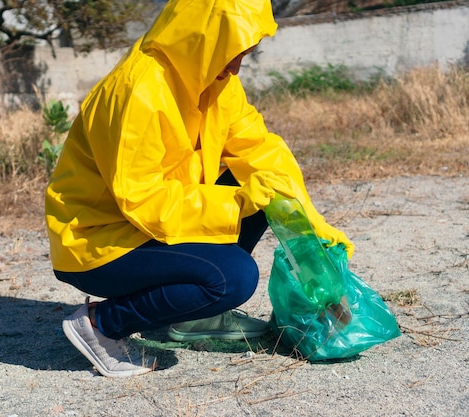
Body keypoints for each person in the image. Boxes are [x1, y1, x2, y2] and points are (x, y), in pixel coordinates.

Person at [45, 0, 354, 378]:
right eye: (232, 52)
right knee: (233, 278)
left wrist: (312, 227)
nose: (237, 66)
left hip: (146, 225)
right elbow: (142, 198)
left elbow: (260, 151)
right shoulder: (138, 91)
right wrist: (235, 204)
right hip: (97, 240)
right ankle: (101, 325)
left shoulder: (214, 80)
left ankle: (193, 316)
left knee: (262, 185)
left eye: (244, 53)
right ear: (205, 37)